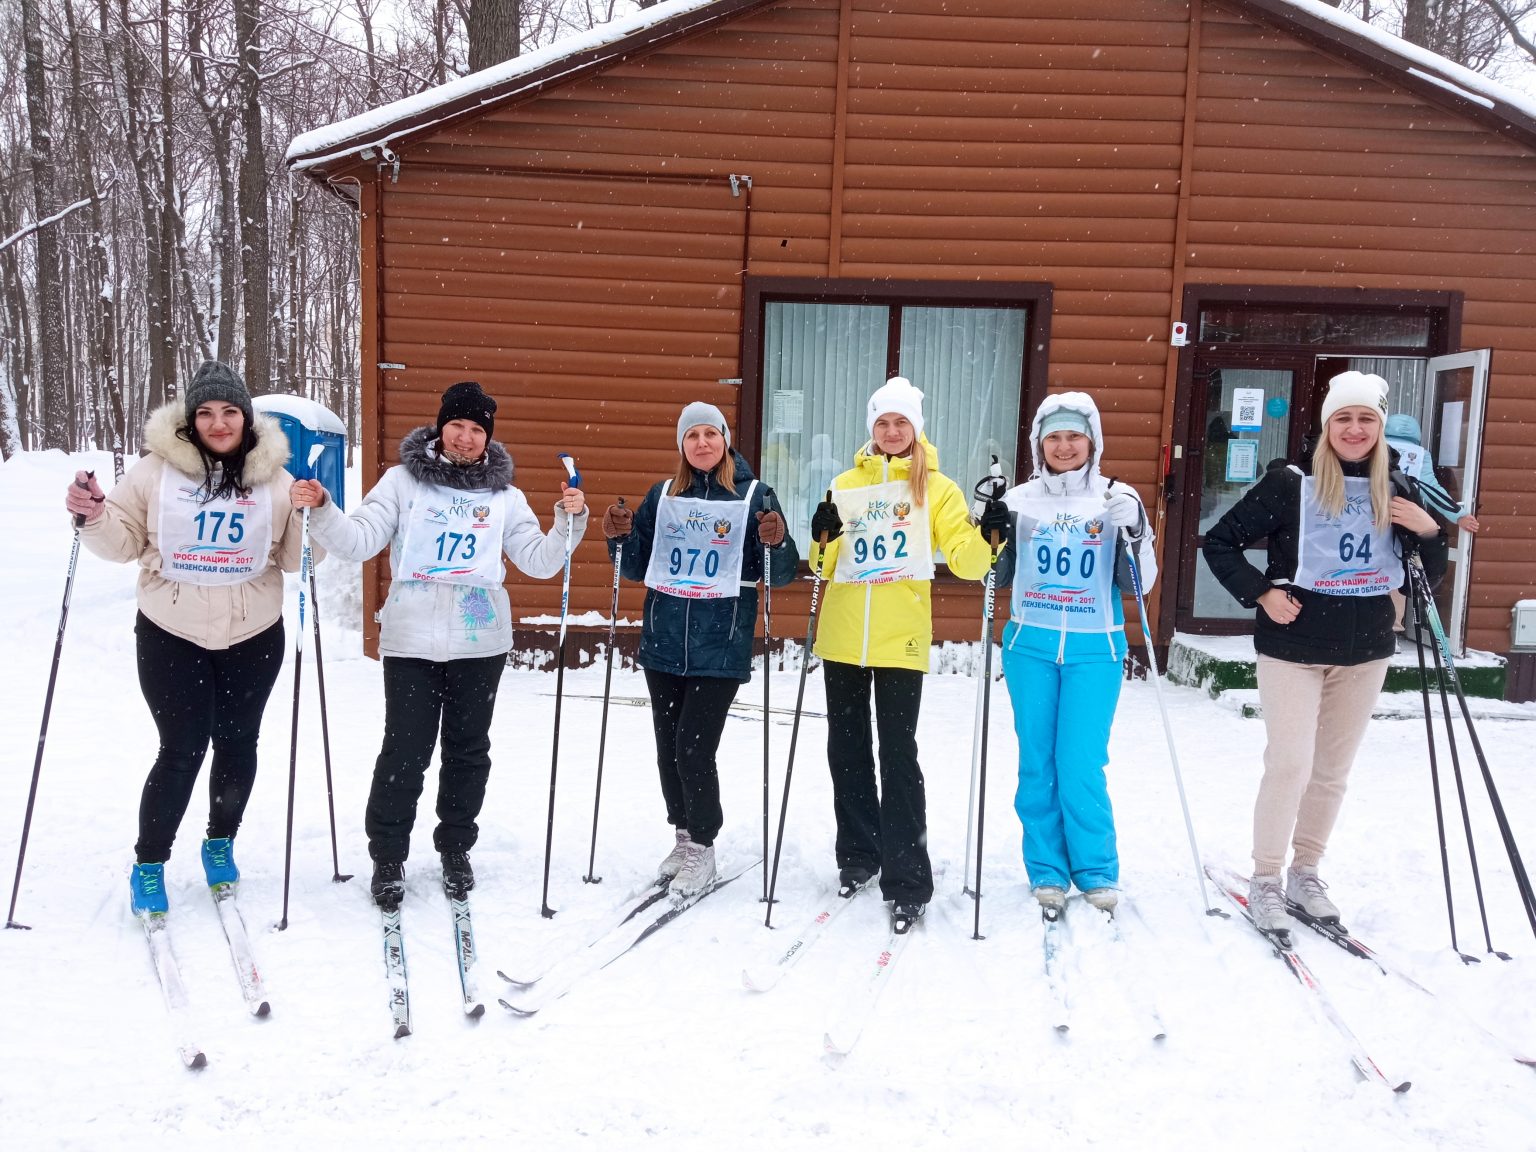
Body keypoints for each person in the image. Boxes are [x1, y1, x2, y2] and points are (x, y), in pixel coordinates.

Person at [290, 381, 587, 908]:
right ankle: (388, 853)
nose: (466, 438)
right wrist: (325, 506)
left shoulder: (505, 497)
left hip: (480, 642)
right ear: (440, 428)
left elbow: (541, 563)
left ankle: (455, 846)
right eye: (458, 426)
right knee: (405, 751)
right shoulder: (403, 483)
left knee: (468, 753)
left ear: (488, 437)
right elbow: (358, 540)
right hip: (411, 641)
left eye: (477, 429)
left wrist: (568, 520)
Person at [64, 361, 312, 916]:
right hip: (171, 630)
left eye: (228, 412)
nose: (218, 423)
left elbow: (293, 560)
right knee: (181, 749)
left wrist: (303, 512)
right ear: (190, 419)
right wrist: (93, 514)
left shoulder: (273, 477)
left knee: (238, 742)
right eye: (205, 412)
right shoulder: (156, 472)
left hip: (254, 632)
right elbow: (122, 542)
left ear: (246, 419)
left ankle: (220, 842)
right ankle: (149, 864)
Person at [1203, 371, 1446, 933]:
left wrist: (1431, 533)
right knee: (1290, 764)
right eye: (1344, 418)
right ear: (1327, 425)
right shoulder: (1293, 483)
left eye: (1366, 419)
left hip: (1366, 651)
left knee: (1332, 772)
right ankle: (1266, 876)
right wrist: (1262, 593)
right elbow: (1221, 541)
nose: (1355, 429)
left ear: (1380, 428)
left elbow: (1423, 577)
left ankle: (1305, 871)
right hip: (1294, 648)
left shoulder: (1398, 488)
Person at [808, 376, 1000, 933]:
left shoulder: (938, 489)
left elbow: (965, 561)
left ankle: (908, 878)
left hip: (902, 640)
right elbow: (825, 568)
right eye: (882, 423)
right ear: (871, 428)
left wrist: (989, 539)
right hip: (843, 635)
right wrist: (821, 539)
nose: (892, 432)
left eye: (901, 423)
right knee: (846, 751)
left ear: (916, 428)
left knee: (897, 756)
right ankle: (859, 856)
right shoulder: (844, 483)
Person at [601, 403, 798, 898]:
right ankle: (684, 836)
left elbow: (785, 572)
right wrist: (619, 537)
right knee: (669, 747)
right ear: (682, 445)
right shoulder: (663, 495)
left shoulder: (754, 494)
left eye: (711, 433)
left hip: (720, 643)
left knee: (693, 745)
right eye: (693, 435)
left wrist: (777, 542)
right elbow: (634, 565)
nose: (703, 443)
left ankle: (704, 847)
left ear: (726, 440)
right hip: (665, 640)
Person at [994, 392, 1156, 918]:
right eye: (1054, 437)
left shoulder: (1115, 496)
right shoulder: (1019, 499)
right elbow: (991, 573)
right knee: (1036, 761)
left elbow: (1141, 582)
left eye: (1074, 436)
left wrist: (1135, 529)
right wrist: (987, 529)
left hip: (1095, 647)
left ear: (1092, 441)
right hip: (1030, 647)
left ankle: (1095, 868)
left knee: (1081, 761)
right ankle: (1046, 867)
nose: (1064, 446)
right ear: (1040, 444)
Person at [1384, 412, 1480, 642]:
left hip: (1370, 516)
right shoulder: (1419, 455)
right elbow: (1430, 488)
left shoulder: (1377, 446)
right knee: (1398, 570)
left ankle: (1366, 625)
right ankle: (1391, 630)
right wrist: (1460, 515)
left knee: (1372, 570)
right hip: (1407, 518)